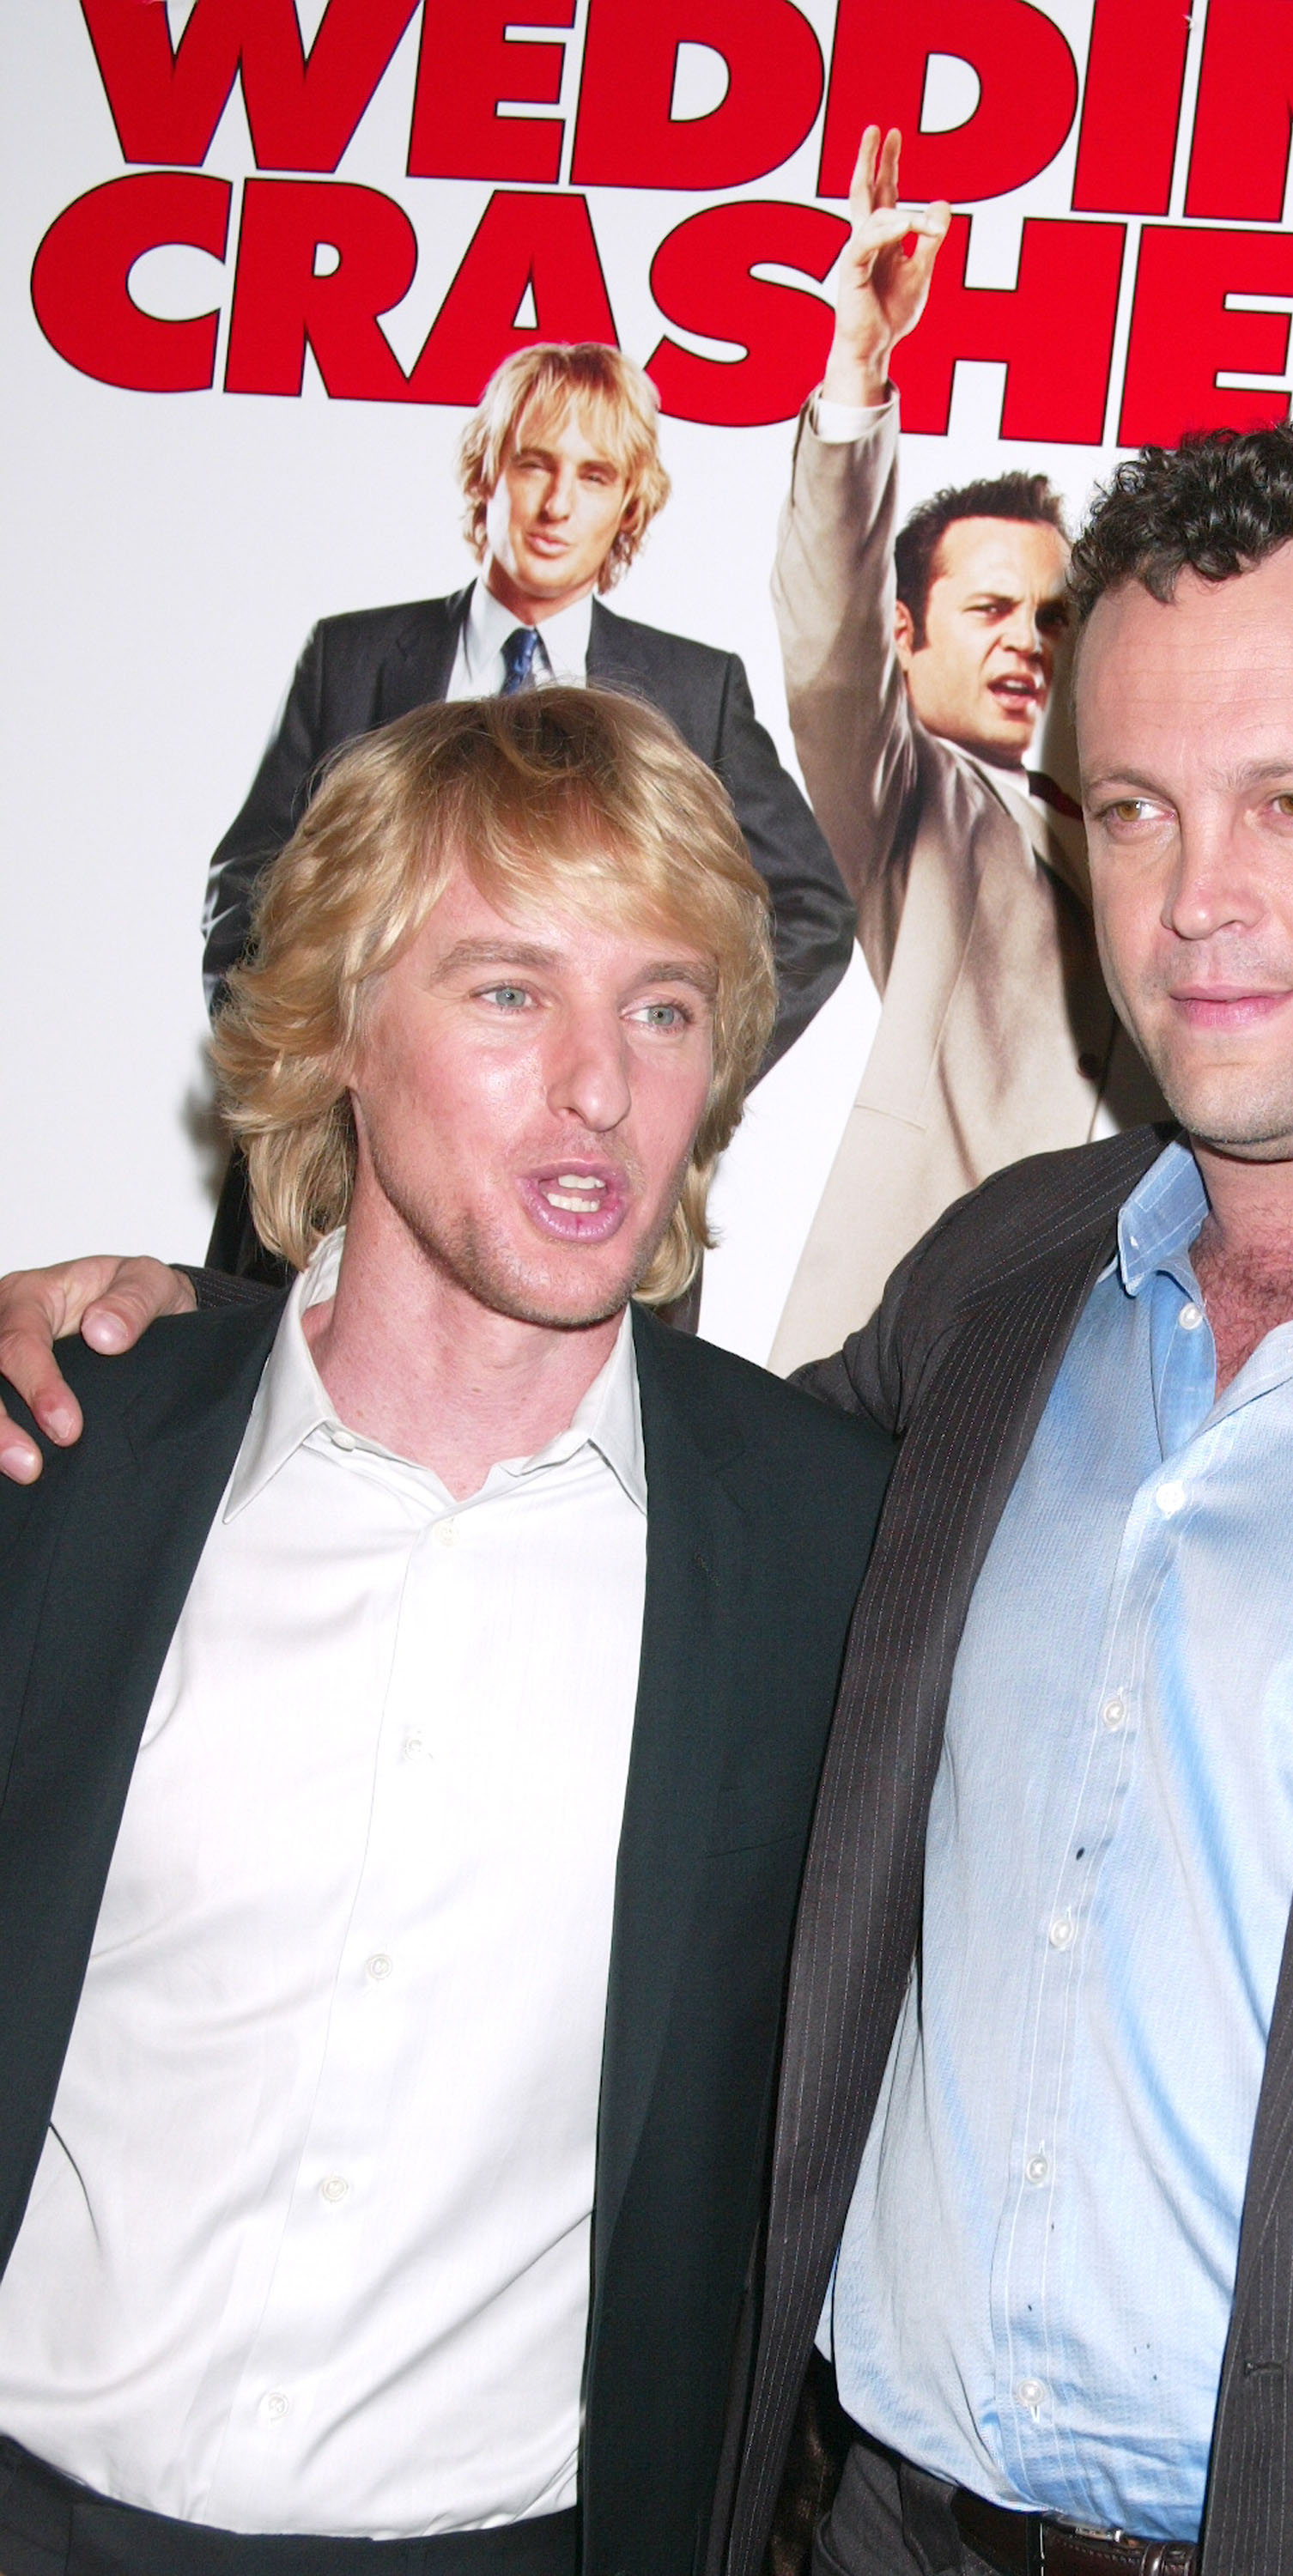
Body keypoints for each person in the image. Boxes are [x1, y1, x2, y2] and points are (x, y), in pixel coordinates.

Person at [10, 427, 1293, 2574]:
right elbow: (567, 1426)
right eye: (1133, 809)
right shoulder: (999, 1285)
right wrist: (176, 1332)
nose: (1198, 897)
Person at [0, 687, 889, 2576]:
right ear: (335, 1032)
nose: (599, 1086)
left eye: (662, 1007)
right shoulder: (68, 1455)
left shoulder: (833, 1548)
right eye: (508, 992)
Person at [203, 339, 855, 1282]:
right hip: (323, 1208)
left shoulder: (693, 689)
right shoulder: (355, 656)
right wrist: (312, 1074)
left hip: (585, 1216)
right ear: (487, 472)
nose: (556, 505)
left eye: (591, 475)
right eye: (533, 464)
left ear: (629, 501)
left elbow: (813, 907)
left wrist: (679, 1059)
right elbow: (246, 896)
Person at [765, 126, 1157, 1374]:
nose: (1025, 641)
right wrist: (857, 378)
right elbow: (827, 656)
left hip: (1119, 1352)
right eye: (985, 609)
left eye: (1052, 614)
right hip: (911, 1347)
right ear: (908, 634)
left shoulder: (1135, 822)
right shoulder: (919, 805)